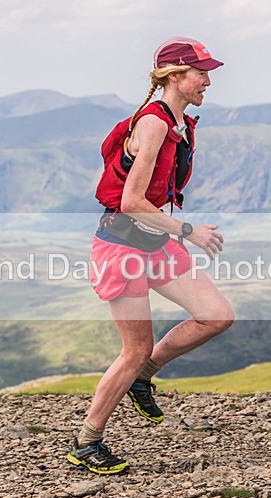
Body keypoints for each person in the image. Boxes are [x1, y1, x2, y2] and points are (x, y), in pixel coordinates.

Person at [66, 37, 235, 474]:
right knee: (134, 348)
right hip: (121, 246)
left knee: (216, 315)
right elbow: (130, 201)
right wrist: (188, 230)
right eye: (201, 73)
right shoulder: (155, 124)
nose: (208, 81)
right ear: (175, 76)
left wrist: (172, 232)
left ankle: (145, 376)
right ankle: (87, 442)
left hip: (154, 243)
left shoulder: (180, 124)